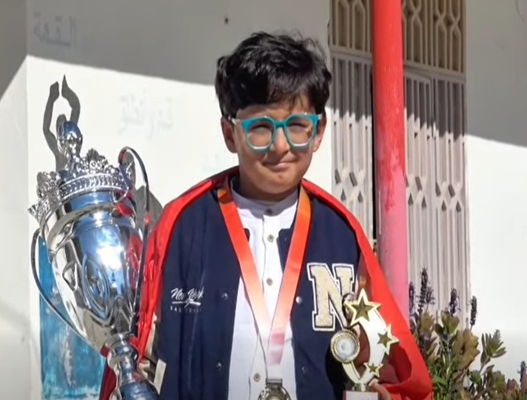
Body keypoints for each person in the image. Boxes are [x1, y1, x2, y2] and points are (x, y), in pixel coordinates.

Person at [99, 31, 432, 400]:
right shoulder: (182, 228)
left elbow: (388, 363)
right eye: (260, 128)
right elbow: (140, 353)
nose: (280, 146)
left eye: (297, 126)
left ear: (318, 132)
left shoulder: (341, 234)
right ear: (230, 134)